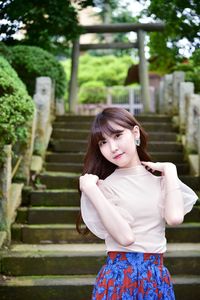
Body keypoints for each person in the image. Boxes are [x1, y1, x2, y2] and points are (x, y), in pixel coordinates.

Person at [78, 107, 198, 299]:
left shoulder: (161, 179)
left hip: (156, 277)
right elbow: (125, 238)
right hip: (119, 278)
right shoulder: (102, 187)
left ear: (135, 133)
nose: (113, 148)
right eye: (103, 142)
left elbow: (175, 218)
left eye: (117, 136)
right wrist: (92, 190)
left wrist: (170, 170)